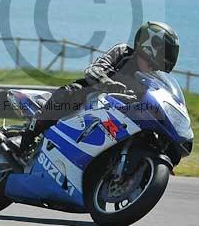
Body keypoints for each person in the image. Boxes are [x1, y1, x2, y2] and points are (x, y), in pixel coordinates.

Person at [17, 21, 180, 153]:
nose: (153, 69)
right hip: (94, 101)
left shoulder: (156, 81)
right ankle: (33, 130)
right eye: (151, 63)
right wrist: (108, 83)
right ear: (146, 46)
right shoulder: (123, 53)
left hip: (123, 117)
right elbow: (95, 69)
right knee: (72, 92)